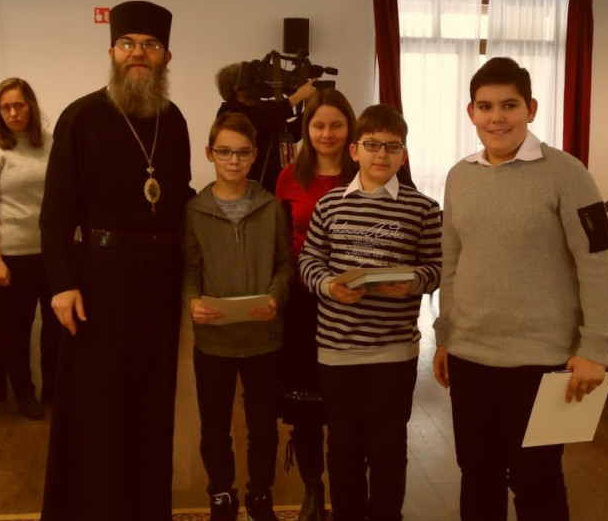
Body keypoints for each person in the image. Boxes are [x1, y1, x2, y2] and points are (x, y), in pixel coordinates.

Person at [432, 57, 608, 521]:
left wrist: (595, 347)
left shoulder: (567, 173)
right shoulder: (459, 175)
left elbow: (597, 261)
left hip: (542, 359)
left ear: (530, 109)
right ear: (471, 112)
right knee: (478, 474)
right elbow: (452, 261)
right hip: (470, 355)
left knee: (536, 480)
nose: (497, 117)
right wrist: (445, 334)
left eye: (509, 105)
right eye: (485, 106)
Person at [39, 0, 194, 521]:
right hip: (99, 279)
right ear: (112, 53)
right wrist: (62, 283)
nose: (138, 53)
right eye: (128, 44)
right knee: (98, 403)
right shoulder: (81, 116)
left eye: (149, 45)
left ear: (166, 57)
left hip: (160, 277)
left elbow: (178, 196)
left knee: (152, 400)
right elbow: (55, 213)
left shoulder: (173, 120)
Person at [298, 104, 442, 521]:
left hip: (394, 350)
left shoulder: (423, 208)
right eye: (373, 145)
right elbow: (309, 261)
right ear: (355, 150)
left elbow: (437, 268)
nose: (382, 154)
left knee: (387, 446)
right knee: (343, 447)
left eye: (392, 146)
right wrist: (329, 286)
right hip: (337, 349)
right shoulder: (330, 204)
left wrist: (412, 282)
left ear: (404, 154)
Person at [182, 112, 293, 521]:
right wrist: (192, 302)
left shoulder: (270, 206)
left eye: (243, 153)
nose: (234, 160)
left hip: (264, 337)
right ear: (209, 153)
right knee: (214, 426)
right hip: (214, 339)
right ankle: (221, 495)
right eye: (225, 152)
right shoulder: (195, 211)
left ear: (255, 154)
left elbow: (285, 264)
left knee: (263, 426)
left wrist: (276, 297)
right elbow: (190, 270)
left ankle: (260, 495)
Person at [275, 89, 357, 521]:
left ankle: (349, 489)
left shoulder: (367, 171)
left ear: (350, 128)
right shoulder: (289, 176)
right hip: (304, 300)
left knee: (347, 401)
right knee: (306, 403)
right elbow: (280, 240)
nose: (327, 133)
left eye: (336, 125)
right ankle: (312, 487)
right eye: (319, 125)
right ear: (306, 130)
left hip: (355, 301)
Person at [0, 77, 60, 420]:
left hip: (52, 253)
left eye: (18, 105)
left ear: (31, 107)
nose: (12, 113)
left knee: (57, 327)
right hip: (11, 256)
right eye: (5, 107)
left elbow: (66, 195)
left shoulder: (51, 144)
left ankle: (54, 391)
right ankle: (24, 393)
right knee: (16, 330)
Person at [216, 62, 317, 193]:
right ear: (237, 88)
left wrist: (309, 111)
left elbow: (290, 134)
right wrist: (297, 97)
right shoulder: (228, 113)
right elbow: (256, 123)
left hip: (278, 183)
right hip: (249, 190)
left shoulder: (262, 109)